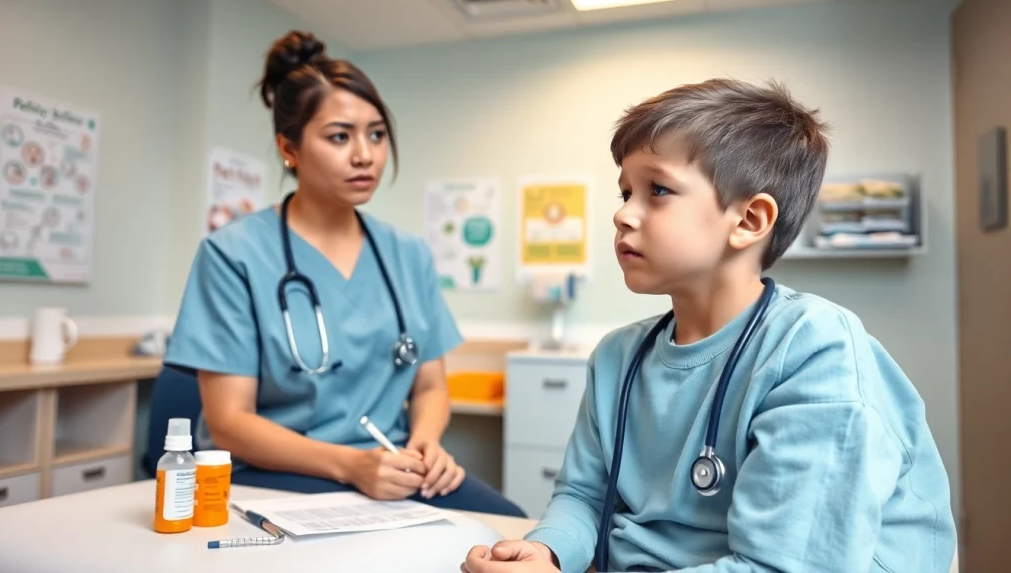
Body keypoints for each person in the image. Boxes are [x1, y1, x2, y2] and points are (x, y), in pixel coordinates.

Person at [462, 78, 956, 572]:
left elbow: (784, 566)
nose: (622, 214)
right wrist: (548, 552)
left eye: (657, 190)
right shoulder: (616, 357)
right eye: (625, 190)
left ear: (749, 220)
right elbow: (584, 494)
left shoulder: (815, 349)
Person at [163, 29, 524, 518]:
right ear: (288, 148)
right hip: (273, 475)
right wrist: (351, 465)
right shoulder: (234, 255)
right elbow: (229, 422)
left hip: (389, 469)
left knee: (506, 530)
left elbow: (431, 386)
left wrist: (423, 446)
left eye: (376, 134)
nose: (365, 155)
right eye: (340, 136)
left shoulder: (408, 254)